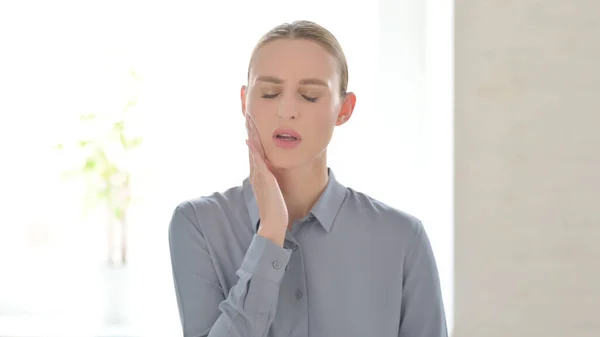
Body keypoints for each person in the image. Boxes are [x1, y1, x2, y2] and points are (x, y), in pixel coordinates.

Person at [168, 20, 447, 337]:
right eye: (270, 93)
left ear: (344, 109)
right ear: (244, 100)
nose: (287, 111)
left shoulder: (402, 238)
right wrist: (270, 234)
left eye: (310, 96)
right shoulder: (198, 224)